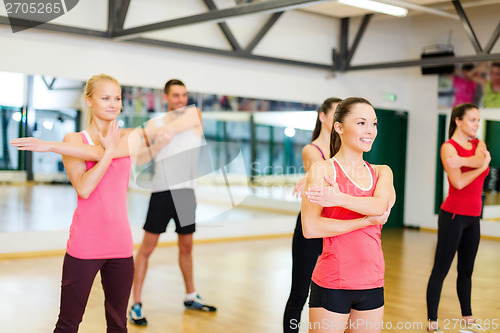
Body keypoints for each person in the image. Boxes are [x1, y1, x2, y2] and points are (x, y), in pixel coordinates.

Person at [301, 97, 396, 333]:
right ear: (339, 127)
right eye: (362, 123)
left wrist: (338, 199)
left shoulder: (382, 171)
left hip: (373, 280)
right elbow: (310, 228)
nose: (370, 131)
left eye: (374, 124)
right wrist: (364, 221)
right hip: (334, 280)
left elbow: (381, 206)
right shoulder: (322, 170)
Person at [129, 79, 215, 327]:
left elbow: (183, 122)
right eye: (176, 95)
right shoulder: (156, 124)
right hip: (161, 191)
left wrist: (155, 133)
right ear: (165, 97)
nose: (181, 99)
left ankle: (190, 296)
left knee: (187, 247)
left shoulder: (193, 114)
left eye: (184, 94)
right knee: (147, 248)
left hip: (186, 193)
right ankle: (136, 303)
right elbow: (141, 157)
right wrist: (158, 142)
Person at [426, 103, 491, 333]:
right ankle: (432, 323)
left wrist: (465, 162)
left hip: (474, 217)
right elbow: (459, 183)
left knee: (467, 271)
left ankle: (468, 319)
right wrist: (481, 163)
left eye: (478, 121)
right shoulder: (448, 147)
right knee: (441, 269)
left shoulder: (478, 144)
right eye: (472, 120)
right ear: (458, 120)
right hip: (453, 216)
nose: (476, 124)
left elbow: (479, 161)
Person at [283, 97, 342, 333]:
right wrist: (310, 175)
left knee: (333, 292)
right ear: (323, 116)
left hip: (335, 225)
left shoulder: (344, 149)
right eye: (335, 113)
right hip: (311, 225)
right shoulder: (311, 149)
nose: (339, 118)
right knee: (299, 292)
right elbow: (327, 176)